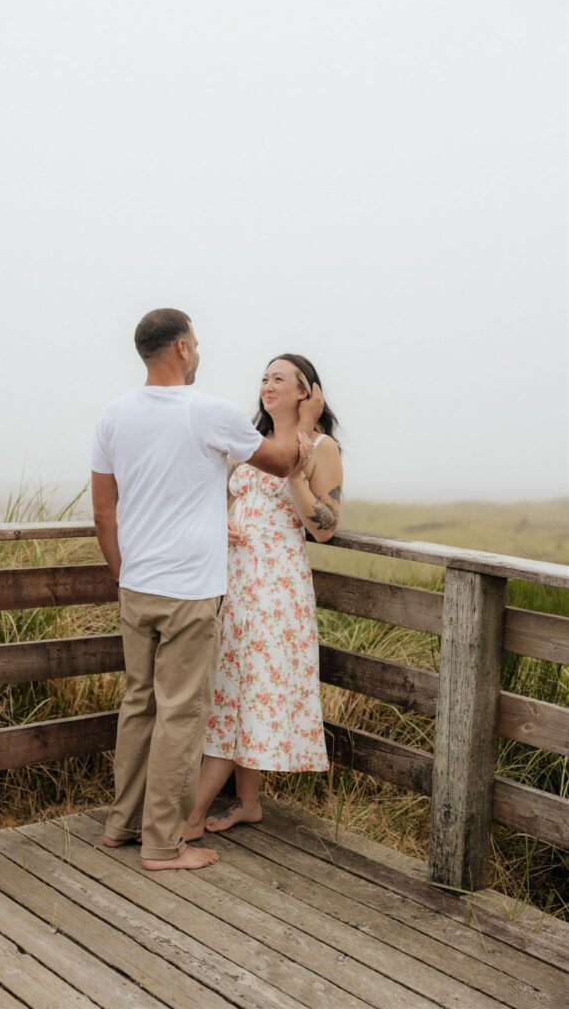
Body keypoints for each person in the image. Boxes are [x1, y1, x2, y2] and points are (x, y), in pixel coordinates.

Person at [91, 312, 324, 871]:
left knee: (138, 705)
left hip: (138, 586)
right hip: (190, 591)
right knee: (180, 714)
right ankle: (164, 844)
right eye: (195, 344)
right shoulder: (209, 411)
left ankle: (121, 825)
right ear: (180, 348)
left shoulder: (113, 416)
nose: (198, 352)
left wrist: (123, 574)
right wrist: (308, 415)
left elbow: (104, 510)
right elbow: (285, 460)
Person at [184, 354, 342, 839]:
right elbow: (225, 499)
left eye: (279, 379)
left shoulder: (320, 446)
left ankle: (188, 820)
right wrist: (220, 521)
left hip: (276, 590)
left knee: (241, 692)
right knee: (232, 690)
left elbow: (326, 529)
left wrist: (295, 471)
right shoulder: (251, 443)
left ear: (305, 391)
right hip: (235, 582)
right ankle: (247, 803)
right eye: (264, 378)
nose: (267, 385)